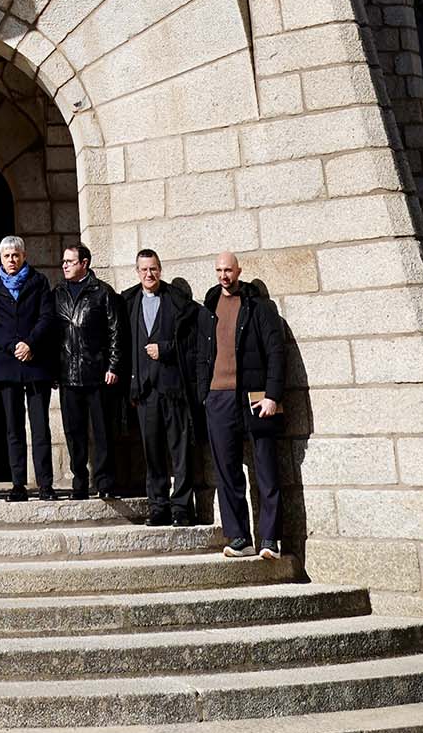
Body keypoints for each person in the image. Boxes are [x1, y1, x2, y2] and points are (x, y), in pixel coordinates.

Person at [195, 249, 285, 559]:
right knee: (226, 473)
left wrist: (272, 395)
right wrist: (203, 395)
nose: (224, 275)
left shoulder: (259, 307)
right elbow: (200, 355)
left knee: (266, 470)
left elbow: (276, 352)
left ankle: (271, 540)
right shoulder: (208, 307)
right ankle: (239, 539)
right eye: (219, 270)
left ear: (239, 271)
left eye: (229, 270)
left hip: (253, 397)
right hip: (217, 398)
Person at [0, 234, 59, 501]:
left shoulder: (38, 282)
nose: (11, 260)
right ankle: (18, 484)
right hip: (6, 363)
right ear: (0, 258)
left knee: (40, 426)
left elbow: (47, 317)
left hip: (35, 362)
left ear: (24, 256)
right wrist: (13, 345)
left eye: (16, 255)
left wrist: (30, 343)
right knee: (13, 428)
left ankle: (45, 484)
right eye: (7, 256)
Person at [123, 247, 196, 526]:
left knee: (180, 452)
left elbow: (190, 345)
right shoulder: (129, 302)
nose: (149, 274)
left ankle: (181, 508)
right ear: (137, 272)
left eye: (153, 268)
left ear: (160, 270)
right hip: (145, 392)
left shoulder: (177, 301)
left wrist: (165, 349)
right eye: (144, 269)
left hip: (173, 390)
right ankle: (159, 507)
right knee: (152, 452)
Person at [53, 239, 125, 501]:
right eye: (64, 261)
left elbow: (116, 331)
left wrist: (114, 365)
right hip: (68, 375)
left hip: (97, 374)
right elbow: (53, 334)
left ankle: (105, 482)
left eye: (70, 262)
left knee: (103, 431)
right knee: (74, 432)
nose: (65, 266)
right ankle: (79, 482)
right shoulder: (58, 293)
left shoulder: (102, 292)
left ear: (84, 264)